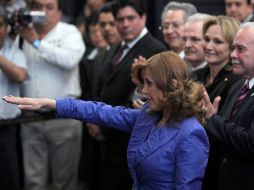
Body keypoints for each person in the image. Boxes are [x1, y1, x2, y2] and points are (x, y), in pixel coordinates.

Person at [3, 51, 209, 190]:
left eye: (149, 83)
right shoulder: (147, 116)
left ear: (172, 86)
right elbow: (100, 111)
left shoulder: (191, 133)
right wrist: (52, 103)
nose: (143, 91)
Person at [14, 0, 85, 189]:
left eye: (49, 7)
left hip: (63, 118)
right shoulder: (23, 33)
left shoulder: (69, 32)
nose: (43, 12)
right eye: (38, 7)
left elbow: (69, 60)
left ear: (59, 12)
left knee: (64, 182)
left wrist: (36, 42)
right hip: (30, 119)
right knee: (33, 182)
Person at [96, 0, 167, 189]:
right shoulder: (117, 47)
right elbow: (104, 87)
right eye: (120, 19)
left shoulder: (155, 50)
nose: (125, 24)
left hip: (130, 141)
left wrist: (103, 127)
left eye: (130, 18)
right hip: (109, 144)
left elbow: (151, 100)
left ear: (143, 18)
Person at [200, 22, 254, 190]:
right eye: (233, 48)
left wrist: (213, 120)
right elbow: (224, 137)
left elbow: (251, 143)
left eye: (241, 49)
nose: (233, 55)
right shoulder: (238, 85)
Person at [192, 16, 241, 190]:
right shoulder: (195, 75)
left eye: (217, 41)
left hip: (216, 163)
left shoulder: (237, 82)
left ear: (232, 48)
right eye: (206, 39)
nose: (209, 46)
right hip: (191, 159)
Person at [0, 5, 27, 190]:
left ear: (6, 28)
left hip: (6, 129)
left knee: (9, 179)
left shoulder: (15, 53)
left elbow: (19, 75)